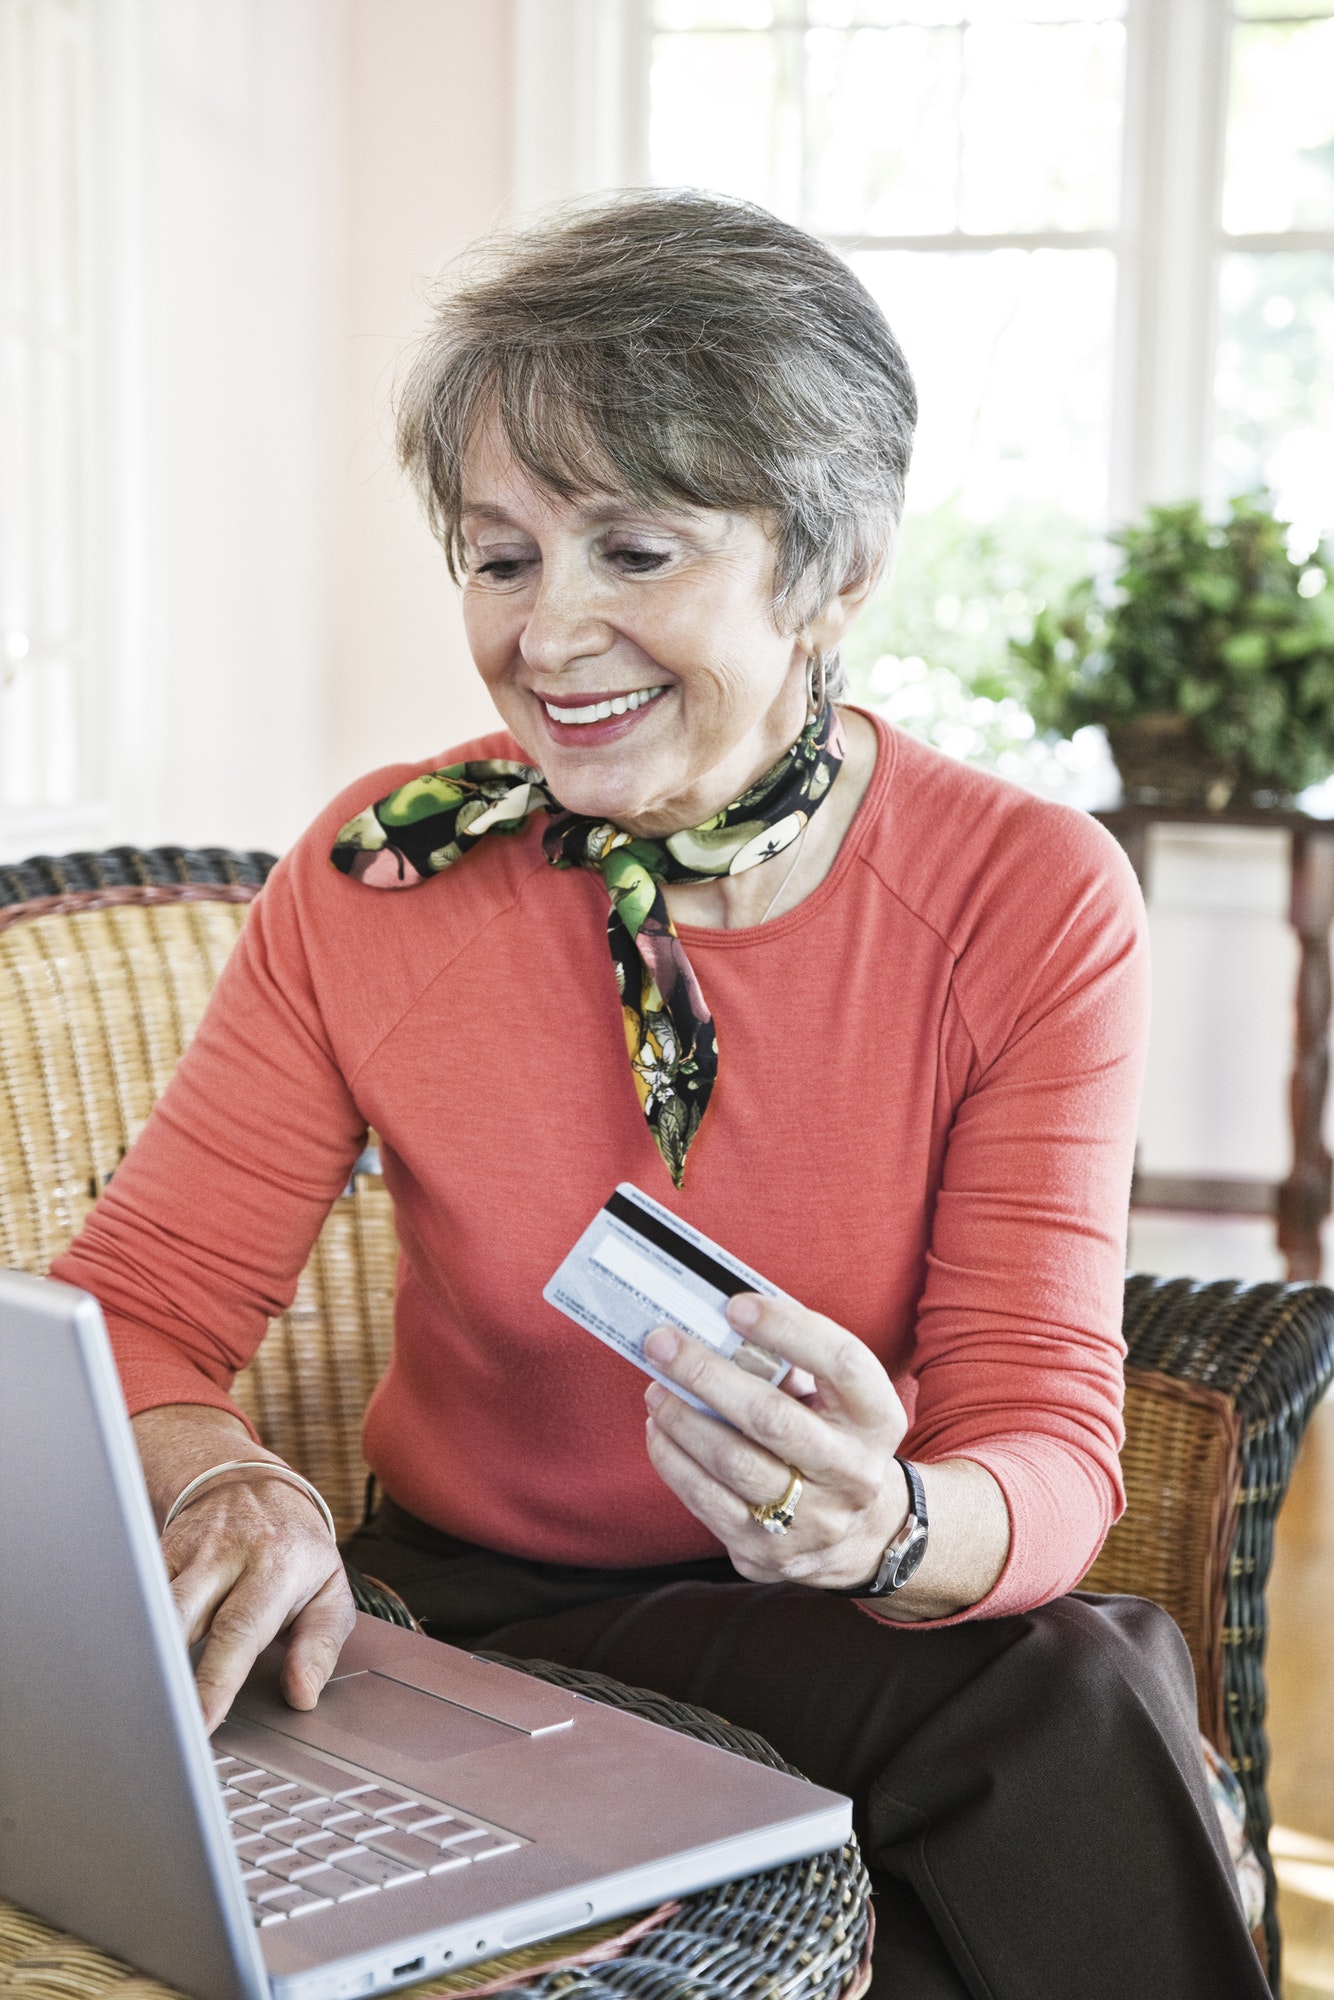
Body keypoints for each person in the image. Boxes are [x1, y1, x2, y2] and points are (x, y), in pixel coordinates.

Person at [53, 191, 1268, 1997]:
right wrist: (226, 1478)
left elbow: (1041, 1429)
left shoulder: (1021, 897)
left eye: (635, 552)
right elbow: (137, 1306)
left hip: (826, 1603)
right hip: (456, 1616)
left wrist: (892, 1524)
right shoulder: (381, 873)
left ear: (834, 570)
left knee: (1077, 1685)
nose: (549, 639)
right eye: (499, 555)